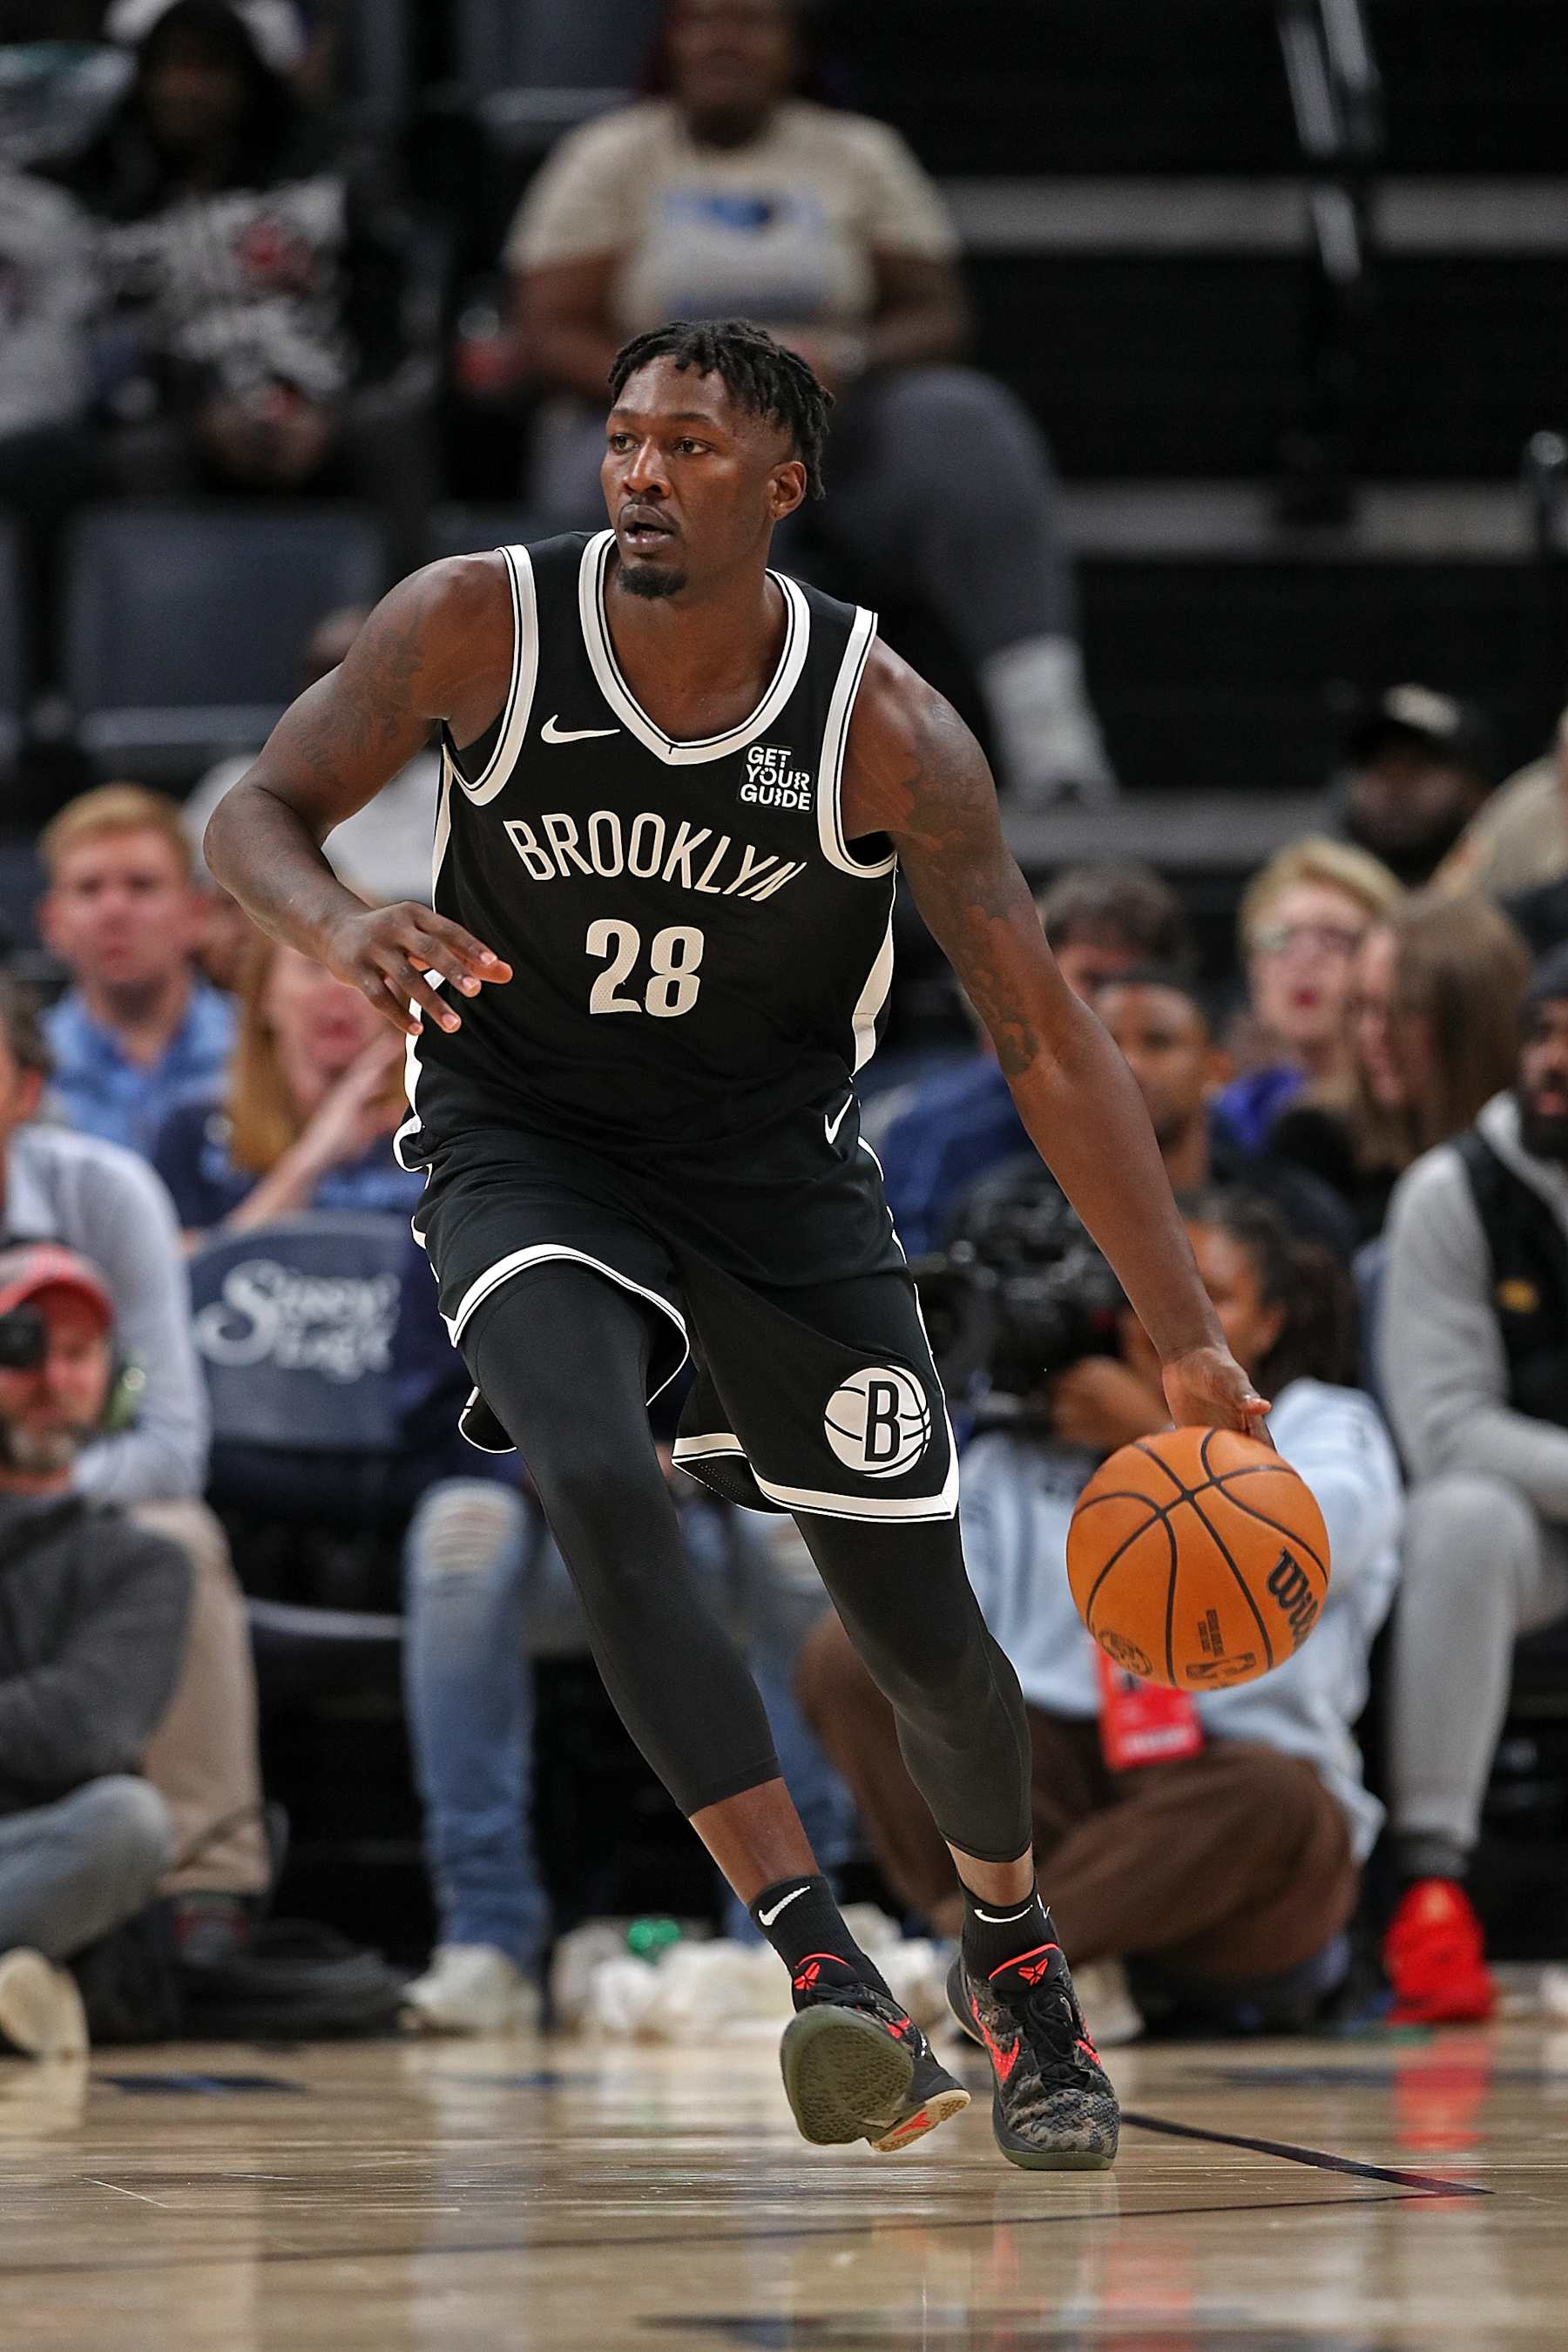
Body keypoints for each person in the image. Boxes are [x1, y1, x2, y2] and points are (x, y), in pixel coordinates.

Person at [206, 314, 1267, 2172]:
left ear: (783, 486)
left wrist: (1180, 1330)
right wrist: (338, 923)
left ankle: (1007, 1956)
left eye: (689, 446)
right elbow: (252, 809)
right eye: (623, 439)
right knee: (591, 1476)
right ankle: (816, 1964)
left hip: (774, 1184)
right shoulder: (475, 622)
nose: (640, 474)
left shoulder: (888, 731)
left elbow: (1039, 1034)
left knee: (925, 1643)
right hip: (525, 1142)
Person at [799, 1190, 1402, 2043]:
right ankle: (1060, 1964)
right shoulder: (1022, 1446)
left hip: (1225, 1847)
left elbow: (1306, 1544)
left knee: (1281, 1799)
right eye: (1150, 1298)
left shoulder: (1330, 1426)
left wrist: (1156, 1432)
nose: (1168, 1324)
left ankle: (981, 1967)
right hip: (1053, 1799)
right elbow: (932, 1628)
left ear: (1269, 1321)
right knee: (859, 1655)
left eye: (1211, 1301)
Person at [508, 0, 1111, 804]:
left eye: (753, 22)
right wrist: (683, 399)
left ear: (795, 47)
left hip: (837, 425)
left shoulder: (856, 153)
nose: (726, 42)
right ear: (672, 41)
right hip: (652, 421)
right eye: (704, 22)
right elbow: (549, 331)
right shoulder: (610, 157)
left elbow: (939, 312)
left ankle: (1049, 734)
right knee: (629, 477)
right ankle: (679, 756)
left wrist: (853, 355)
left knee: (967, 423)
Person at [0, 970, 270, 1946]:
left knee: (179, 1539)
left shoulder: (104, 1192)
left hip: (74, 1503)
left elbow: (170, 1443)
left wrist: (35, 1487)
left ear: (27, 1090)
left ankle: (206, 1884)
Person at [402, 1461, 851, 2033]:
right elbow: (429, 1418)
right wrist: (555, 1458)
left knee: (792, 1533)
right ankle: (486, 1936)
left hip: (703, 1507)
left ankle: (800, 1927)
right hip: (536, 1519)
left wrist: (687, 1456)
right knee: (460, 1534)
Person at [53, 0, 432, 562]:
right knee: (139, 456)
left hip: (324, 411)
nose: (185, 88)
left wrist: (323, 413)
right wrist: (201, 415)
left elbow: (391, 323)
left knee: (390, 430)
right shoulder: (107, 210)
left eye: (208, 69)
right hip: (187, 421)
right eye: (170, 69)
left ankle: (411, 631)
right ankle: (167, 632)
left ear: (248, 82)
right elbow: (104, 347)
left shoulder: (327, 190)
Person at [1377, 944, 1568, 2023]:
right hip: (1531, 1532)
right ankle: (1433, 1890)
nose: (1553, 1060)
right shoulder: (1453, 1191)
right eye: (1541, 1033)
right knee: (1456, 1520)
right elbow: (1448, 1431)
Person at [0, 1240, 188, 2060]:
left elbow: (91, 1731)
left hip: (37, 1848)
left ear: (113, 1383)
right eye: (23, 1347)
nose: (52, 1378)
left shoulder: (144, 1563)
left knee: (130, 1822)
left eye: (79, 1354)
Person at [877, 863, 1192, 1256]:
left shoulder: (1199, 1124)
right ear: (1042, 970)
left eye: (1135, 982)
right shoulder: (942, 1130)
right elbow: (911, 1283)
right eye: (1093, 980)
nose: (1112, 1004)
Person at [1269, 893, 1532, 1244]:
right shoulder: (1317, 1146)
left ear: (1475, 1020)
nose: (1372, 1034)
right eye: (1361, 1007)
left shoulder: (1540, 1147)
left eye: (1405, 1010)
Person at [182, 605, 443, 928]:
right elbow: (197, 911)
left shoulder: (452, 784)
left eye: (371, 679)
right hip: (284, 961)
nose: (353, 699)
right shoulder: (238, 787)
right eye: (329, 677)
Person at [152, 925, 419, 1240]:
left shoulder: (431, 1134)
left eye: (364, 970)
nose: (340, 986)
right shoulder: (195, 1130)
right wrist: (313, 1159)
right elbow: (180, 1276)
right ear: (264, 996)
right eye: (315, 966)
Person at [38, 784, 235, 1160]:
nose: (115, 910)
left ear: (197, 914)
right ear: (52, 922)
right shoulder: (20, 1077)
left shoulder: (267, 1057)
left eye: (142, 886)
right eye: (89, 889)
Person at [1214, 836, 1403, 1155]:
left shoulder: (1409, 1106)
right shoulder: (1227, 1120)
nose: (1304, 958)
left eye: (1333, 937)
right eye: (1280, 938)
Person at [1336, 684, 1496, 890]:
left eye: (1418, 766)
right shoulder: (1314, 896)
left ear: (1475, 785)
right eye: (1378, 766)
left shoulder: (1515, 895)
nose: (1395, 786)